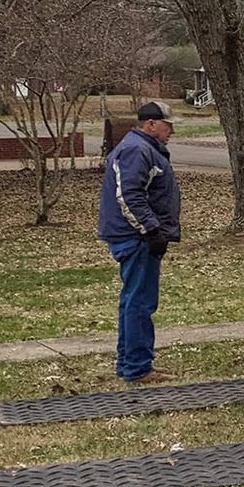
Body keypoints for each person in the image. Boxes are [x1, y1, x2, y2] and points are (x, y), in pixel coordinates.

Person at [97, 101, 181, 384]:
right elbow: (129, 197)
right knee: (140, 303)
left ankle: (129, 364)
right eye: (168, 126)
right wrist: (152, 231)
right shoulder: (137, 149)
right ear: (151, 124)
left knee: (133, 301)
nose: (171, 132)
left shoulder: (143, 148)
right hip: (135, 238)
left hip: (137, 236)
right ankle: (138, 368)